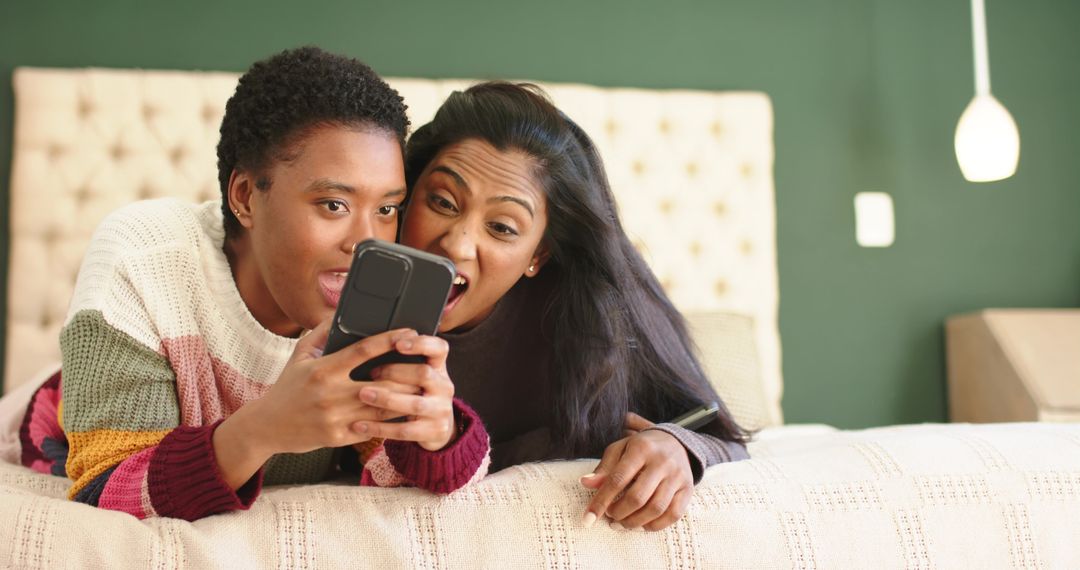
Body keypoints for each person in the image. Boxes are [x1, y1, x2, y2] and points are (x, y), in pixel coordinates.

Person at [18, 47, 490, 521]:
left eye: (386, 209)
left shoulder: (372, 302)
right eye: (333, 205)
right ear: (245, 196)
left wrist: (437, 435)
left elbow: (391, 471)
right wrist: (265, 428)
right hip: (67, 422)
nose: (366, 244)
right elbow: (102, 491)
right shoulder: (145, 258)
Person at [352, 82, 751, 532]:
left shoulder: (593, 317)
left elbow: (718, 433)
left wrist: (675, 446)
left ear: (538, 256)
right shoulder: (347, 280)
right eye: (442, 202)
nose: (457, 244)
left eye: (502, 227)